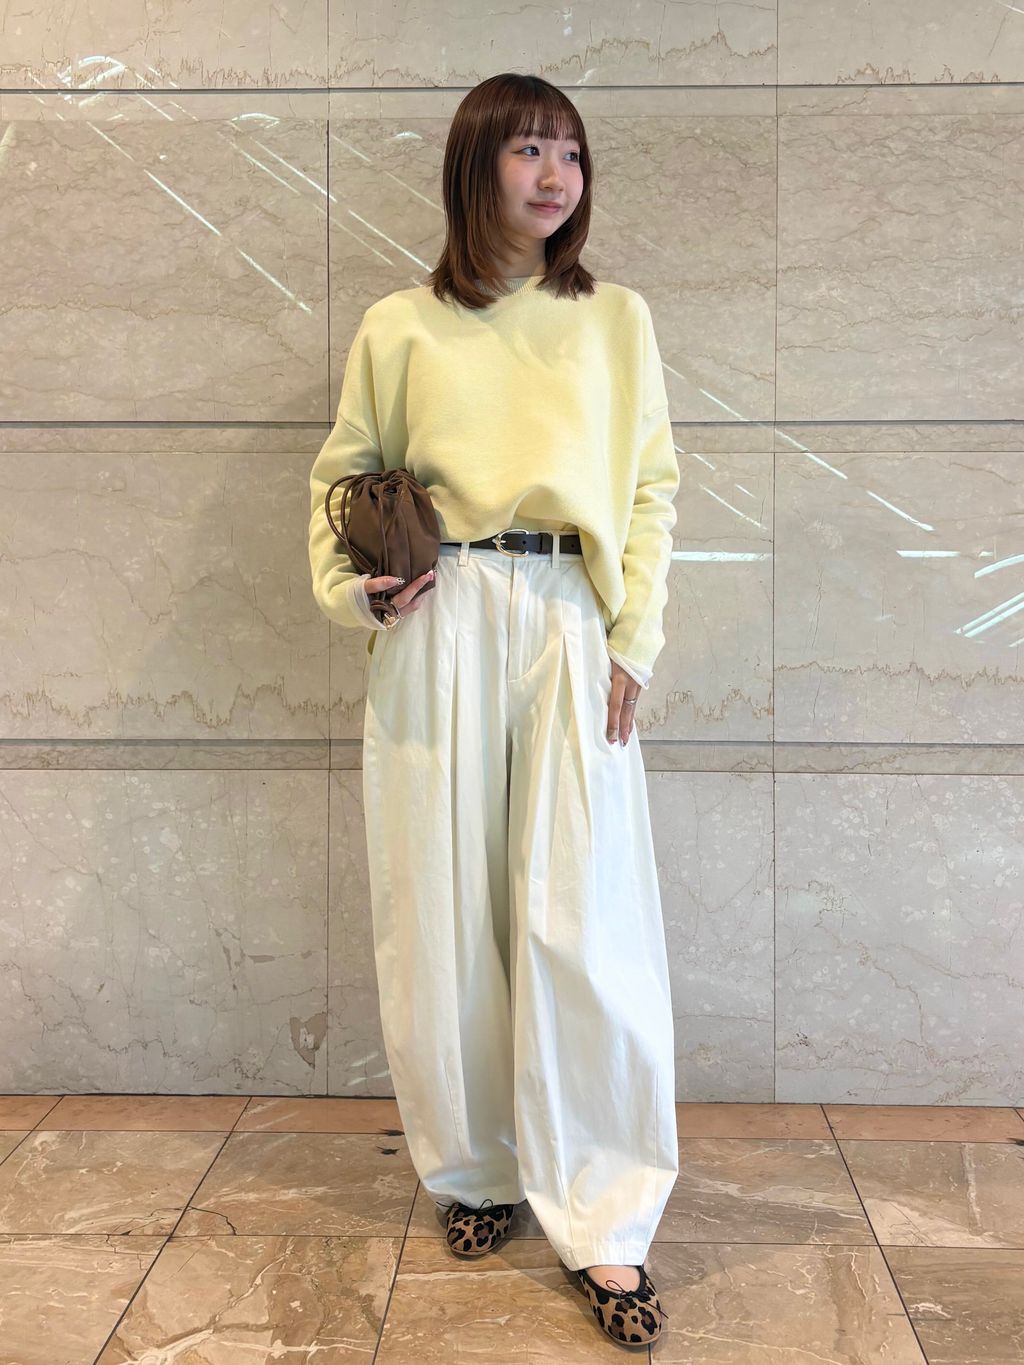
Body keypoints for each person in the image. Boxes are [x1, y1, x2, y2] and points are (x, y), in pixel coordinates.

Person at [308, 72, 679, 1348]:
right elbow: (342, 476)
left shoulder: (614, 318)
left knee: (586, 918)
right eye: (527, 148)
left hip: (568, 610)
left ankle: (607, 1212)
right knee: (443, 904)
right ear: (475, 166)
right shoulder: (400, 326)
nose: (554, 173)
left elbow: (651, 487)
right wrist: (358, 593)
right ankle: (474, 1171)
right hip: (443, 611)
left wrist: (635, 634)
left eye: (570, 150)